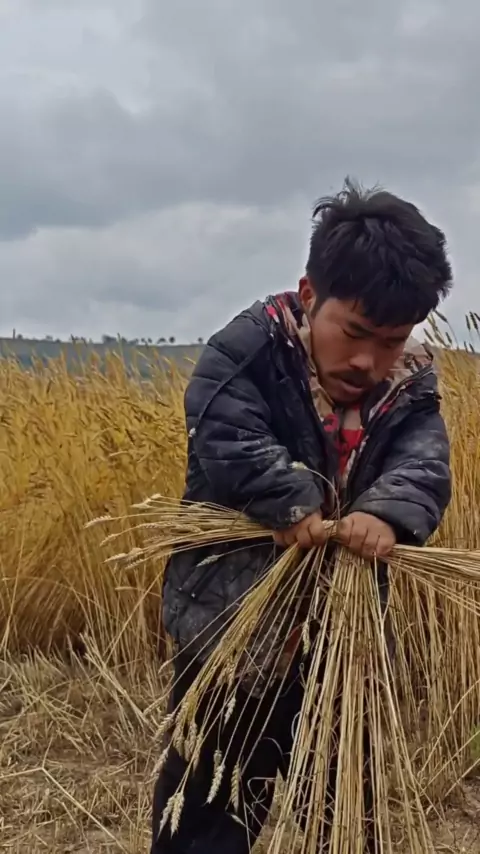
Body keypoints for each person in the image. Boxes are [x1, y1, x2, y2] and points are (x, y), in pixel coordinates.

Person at [151, 179, 453, 853]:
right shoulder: (247, 351)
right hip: (233, 631)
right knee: (208, 802)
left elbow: (425, 464)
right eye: (355, 333)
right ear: (310, 294)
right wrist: (290, 501)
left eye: (392, 340)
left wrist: (384, 515)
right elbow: (224, 434)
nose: (368, 361)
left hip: (343, 637)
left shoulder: (410, 383)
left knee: (345, 806)